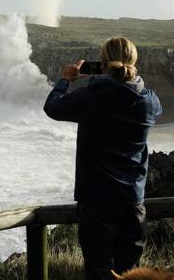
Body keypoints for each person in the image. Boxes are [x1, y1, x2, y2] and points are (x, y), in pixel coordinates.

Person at [43, 37, 162, 280]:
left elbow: (52, 107)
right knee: (130, 275)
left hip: (97, 204)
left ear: (103, 62)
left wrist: (66, 79)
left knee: (98, 273)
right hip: (133, 203)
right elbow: (151, 106)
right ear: (134, 61)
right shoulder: (149, 101)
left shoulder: (92, 96)